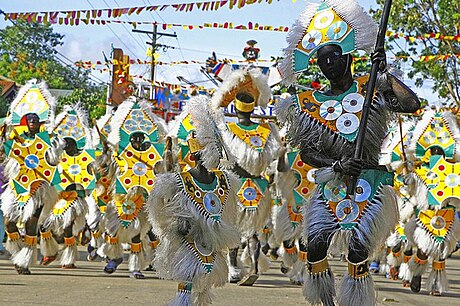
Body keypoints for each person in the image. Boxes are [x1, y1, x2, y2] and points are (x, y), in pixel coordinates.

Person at [276, 1, 420, 305]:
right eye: (322, 60)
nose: (328, 65)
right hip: (332, 182)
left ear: (349, 57)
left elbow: (411, 104)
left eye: (334, 57)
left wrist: (385, 72)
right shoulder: (307, 104)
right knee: (314, 245)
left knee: (357, 250)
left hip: (370, 183)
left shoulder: (372, 87)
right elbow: (307, 153)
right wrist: (337, 162)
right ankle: (324, 300)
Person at [147, 96, 240, 305]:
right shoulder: (178, 181)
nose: (211, 156)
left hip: (212, 241)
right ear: (196, 154)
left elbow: (230, 214)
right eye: (206, 152)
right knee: (187, 280)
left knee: (205, 283)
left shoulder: (225, 181)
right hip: (189, 240)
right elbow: (158, 209)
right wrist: (176, 225)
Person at [212, 67, 282, 286]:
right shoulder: (267, 131)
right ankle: (249, 266)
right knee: (252, 231)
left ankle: (235, 267)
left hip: (236, 183)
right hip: (257, 186)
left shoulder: (228, 130)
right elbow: (272, 157)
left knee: (234, 228)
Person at [98, 97, 167, 279]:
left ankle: (135, 267)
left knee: (137, 233)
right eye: (133, 137)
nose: (136, 140)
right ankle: (114, 257)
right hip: (120, 196)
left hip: (141, 197)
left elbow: (159, 172)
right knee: (113, 231)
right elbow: (104, 170)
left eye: (140, 138)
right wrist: (104, 159)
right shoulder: (119, 154)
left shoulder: (152, 156)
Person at [1, 80, 63, 275]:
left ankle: (25, 260)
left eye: (36, 119)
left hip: (38, 187)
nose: (33, 122)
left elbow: (53, 160)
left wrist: (54, 147)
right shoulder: (16, 139)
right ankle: (18, 251)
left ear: (40, 122)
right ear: (25, 121)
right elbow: (7, 156)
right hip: (18, 184)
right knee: (9, 221)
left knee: (31, 224)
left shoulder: (48, 140)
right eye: (30, 119)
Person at [403, 106, 460, 296]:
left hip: (447, 212)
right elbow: (412, 190)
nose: (436, 151)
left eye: (440, 148)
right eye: (432, 148)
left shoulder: (454, 170)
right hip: (426, 213)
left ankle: (436, 284)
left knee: (443, 250)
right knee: (423, 249)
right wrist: (410, 175)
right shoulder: (420, 171)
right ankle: (417, 271)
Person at [40, 105, 97, 268]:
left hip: (74, 197)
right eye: (64, 145)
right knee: (43, 225)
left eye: (69, 145)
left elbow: (89, 178)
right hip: (55, 196)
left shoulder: (84, 158)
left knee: (67, 227)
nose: (67, 148)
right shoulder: (55, 158)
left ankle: (69, 258)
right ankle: (50, 252)